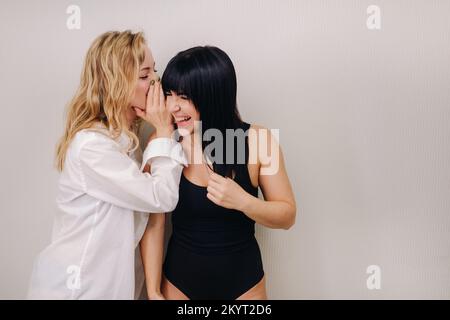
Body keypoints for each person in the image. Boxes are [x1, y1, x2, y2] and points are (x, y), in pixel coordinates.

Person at [27, 30, 186, 299]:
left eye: (154, 72)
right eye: (145, 76)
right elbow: (161, 197)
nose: (156, 83)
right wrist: (162, 132)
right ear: (115, 83)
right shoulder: (93, 146)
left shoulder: (126, 141)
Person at [141, 46, 296, 300]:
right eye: (168, 95)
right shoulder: (163, 142)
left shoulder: (259, 140)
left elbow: (287, 215)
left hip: (245, 287)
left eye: (183, 96)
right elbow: (154, 224)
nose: (172, 107)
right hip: (179, 285)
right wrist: (153, 290)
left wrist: (244, 202)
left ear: (213, 95)